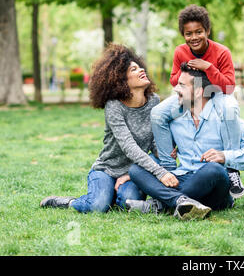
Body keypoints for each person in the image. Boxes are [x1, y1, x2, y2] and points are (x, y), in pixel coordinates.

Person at [40, 44, 172, 213]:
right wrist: (160, 173)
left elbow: (153, 140)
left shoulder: (153, 101)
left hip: (135, 171)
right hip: (107, 170)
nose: (141, 70)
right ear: (121, 80)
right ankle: (70, 202)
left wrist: (164, 152)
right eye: (133, 69)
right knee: (98, 206)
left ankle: (115, 196)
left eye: (140, 67)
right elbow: (129, 147)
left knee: (128, 204)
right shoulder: (114, 106)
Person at [126, 63, 244, 220]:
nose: (176, 89)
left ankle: (160, 204)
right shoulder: (174, 119)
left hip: (213, 184)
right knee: (136, 170)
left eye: (182, 85)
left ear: (200, 91)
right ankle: (178, 201)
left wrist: (225, 156)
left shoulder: (225, 119)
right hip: (183, 177)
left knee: (213, 169)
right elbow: (163, 148)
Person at [150, 4, 244, 199]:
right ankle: (168, 169)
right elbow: (174, 79)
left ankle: (232, 169)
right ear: (183, 35)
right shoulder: (180, 52)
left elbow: (229, 87)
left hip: (216, 94)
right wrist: (189, 72)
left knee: (230, 107)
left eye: (199, 32)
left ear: (207, 31)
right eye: (188, 33)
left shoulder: (222, 52)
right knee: (158, 113)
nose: (194, 37)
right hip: (190, 95)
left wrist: (208, 68)